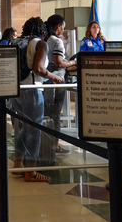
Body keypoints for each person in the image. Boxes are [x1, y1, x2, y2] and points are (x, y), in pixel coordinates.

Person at [10, 17, 64, 182]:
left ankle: (18, 164)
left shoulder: (16, 42)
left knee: (24, 129)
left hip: (16, 90)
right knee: (34, 131)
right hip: (33, 91)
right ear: (43, 30)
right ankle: (31, 171)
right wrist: (54, 77)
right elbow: (39, 68)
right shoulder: (40, 44)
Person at [43, 15, 76, 155]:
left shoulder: (44, 39)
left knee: (45, 113)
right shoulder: (57, 41)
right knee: (55, 113)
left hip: (44, 80)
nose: (63, 29)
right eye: (63, 26)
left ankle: (45, 144)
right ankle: (54, 146)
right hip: (56, 81)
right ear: (58, 26)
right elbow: (59, 63)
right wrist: (73, 63)